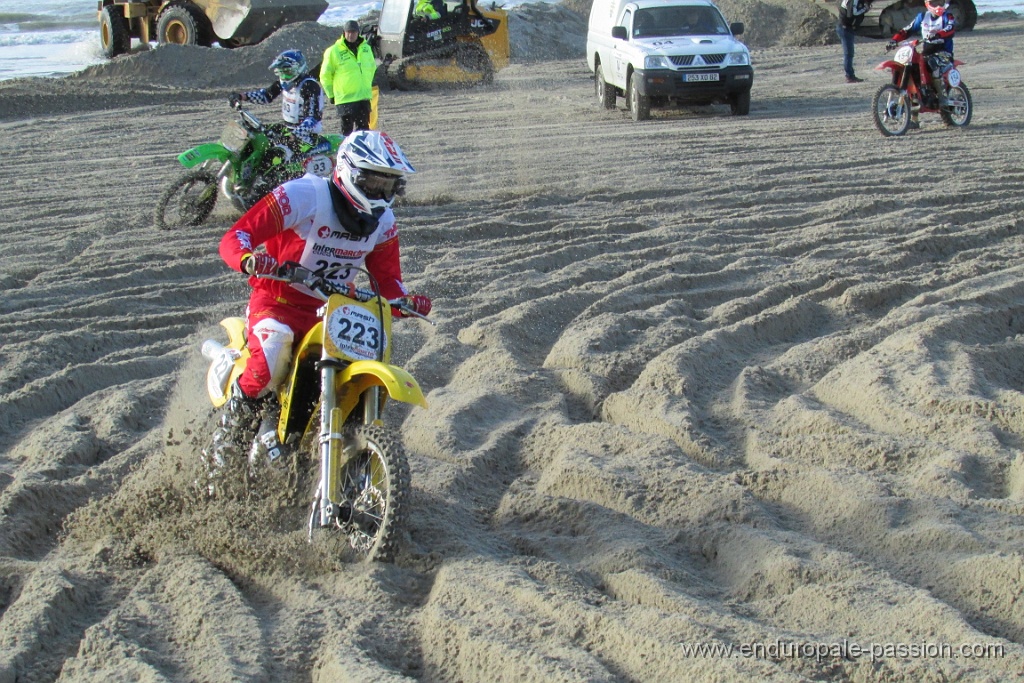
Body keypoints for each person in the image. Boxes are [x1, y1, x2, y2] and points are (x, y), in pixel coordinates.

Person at [210, 130, 432, 469]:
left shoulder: (384, 222)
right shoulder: (302, 195)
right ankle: (225, 441)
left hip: (332, 312)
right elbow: (236, 235)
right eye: (373, 182)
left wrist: (406, 302)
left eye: (389, 184)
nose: (380, 191)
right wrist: (249, 259)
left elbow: (388, 284)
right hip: (277, 302)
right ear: (349, 172)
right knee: (270, 357)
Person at [228, 49, 328, 165]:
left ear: (298, 69)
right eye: (281, 72)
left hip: (305, 136)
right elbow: (266, 95)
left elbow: (312, 119)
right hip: (287, 129)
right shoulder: (284, 82)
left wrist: (293, 136)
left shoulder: (309, 86)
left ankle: (272, 181)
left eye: (287, 71)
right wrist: (242, 96)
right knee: (254, 139)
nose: (284, 76)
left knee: (274, 157)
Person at [888, 0, 956, 126]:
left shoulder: (947, 16)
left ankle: (943, 99)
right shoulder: (922, 17)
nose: (938, 5)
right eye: (935, 2)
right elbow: (907, 30)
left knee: (933, 64)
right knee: (914, 74)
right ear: (928, 3)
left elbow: (951, 28)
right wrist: (894, 40)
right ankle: (914, 119)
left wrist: (938, 34)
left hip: (943, 53)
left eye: (940, 2)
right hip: (926, 53)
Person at [320, 20, 376, 136]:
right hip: (345, 99)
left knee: (364, 132)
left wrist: (366, 85)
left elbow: (371, 67)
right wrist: (331, 94)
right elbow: (325, 75)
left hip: (363, 97)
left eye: (354, 32)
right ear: (344, 33)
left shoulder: (366, 48)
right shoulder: (334, 51)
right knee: (347, 133)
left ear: (358, 33)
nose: (351, 35)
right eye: (348, 32)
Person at [837, 0, 874, 83]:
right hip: (845, 28)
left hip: (846, 28)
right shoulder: (853, 1)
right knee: (848, 54)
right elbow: (852, 13)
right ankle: (849, 76)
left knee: (849, 54)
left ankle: (850, 75)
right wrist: (865, 9)